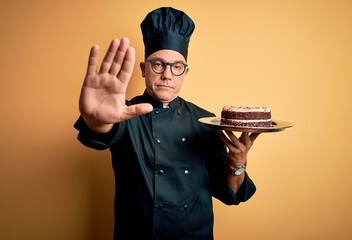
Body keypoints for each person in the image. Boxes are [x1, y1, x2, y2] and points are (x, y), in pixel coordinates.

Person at [74, 7, 259, 240]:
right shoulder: (124, 113)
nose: (167, 75)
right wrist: (96, 119)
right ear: (143, 69)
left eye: (176, 66)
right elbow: (101, 132)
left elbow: (229, 193)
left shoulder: (205, 121)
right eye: (158, 64)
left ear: (185, 72)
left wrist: (237, 163)